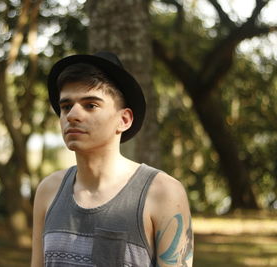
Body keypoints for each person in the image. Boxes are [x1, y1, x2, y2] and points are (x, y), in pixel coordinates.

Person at [31, 51, 193, 267]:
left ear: (124, 119)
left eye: (91, 105)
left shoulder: (163, 193)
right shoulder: (49, 190)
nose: (72, 115)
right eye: (66, 106)